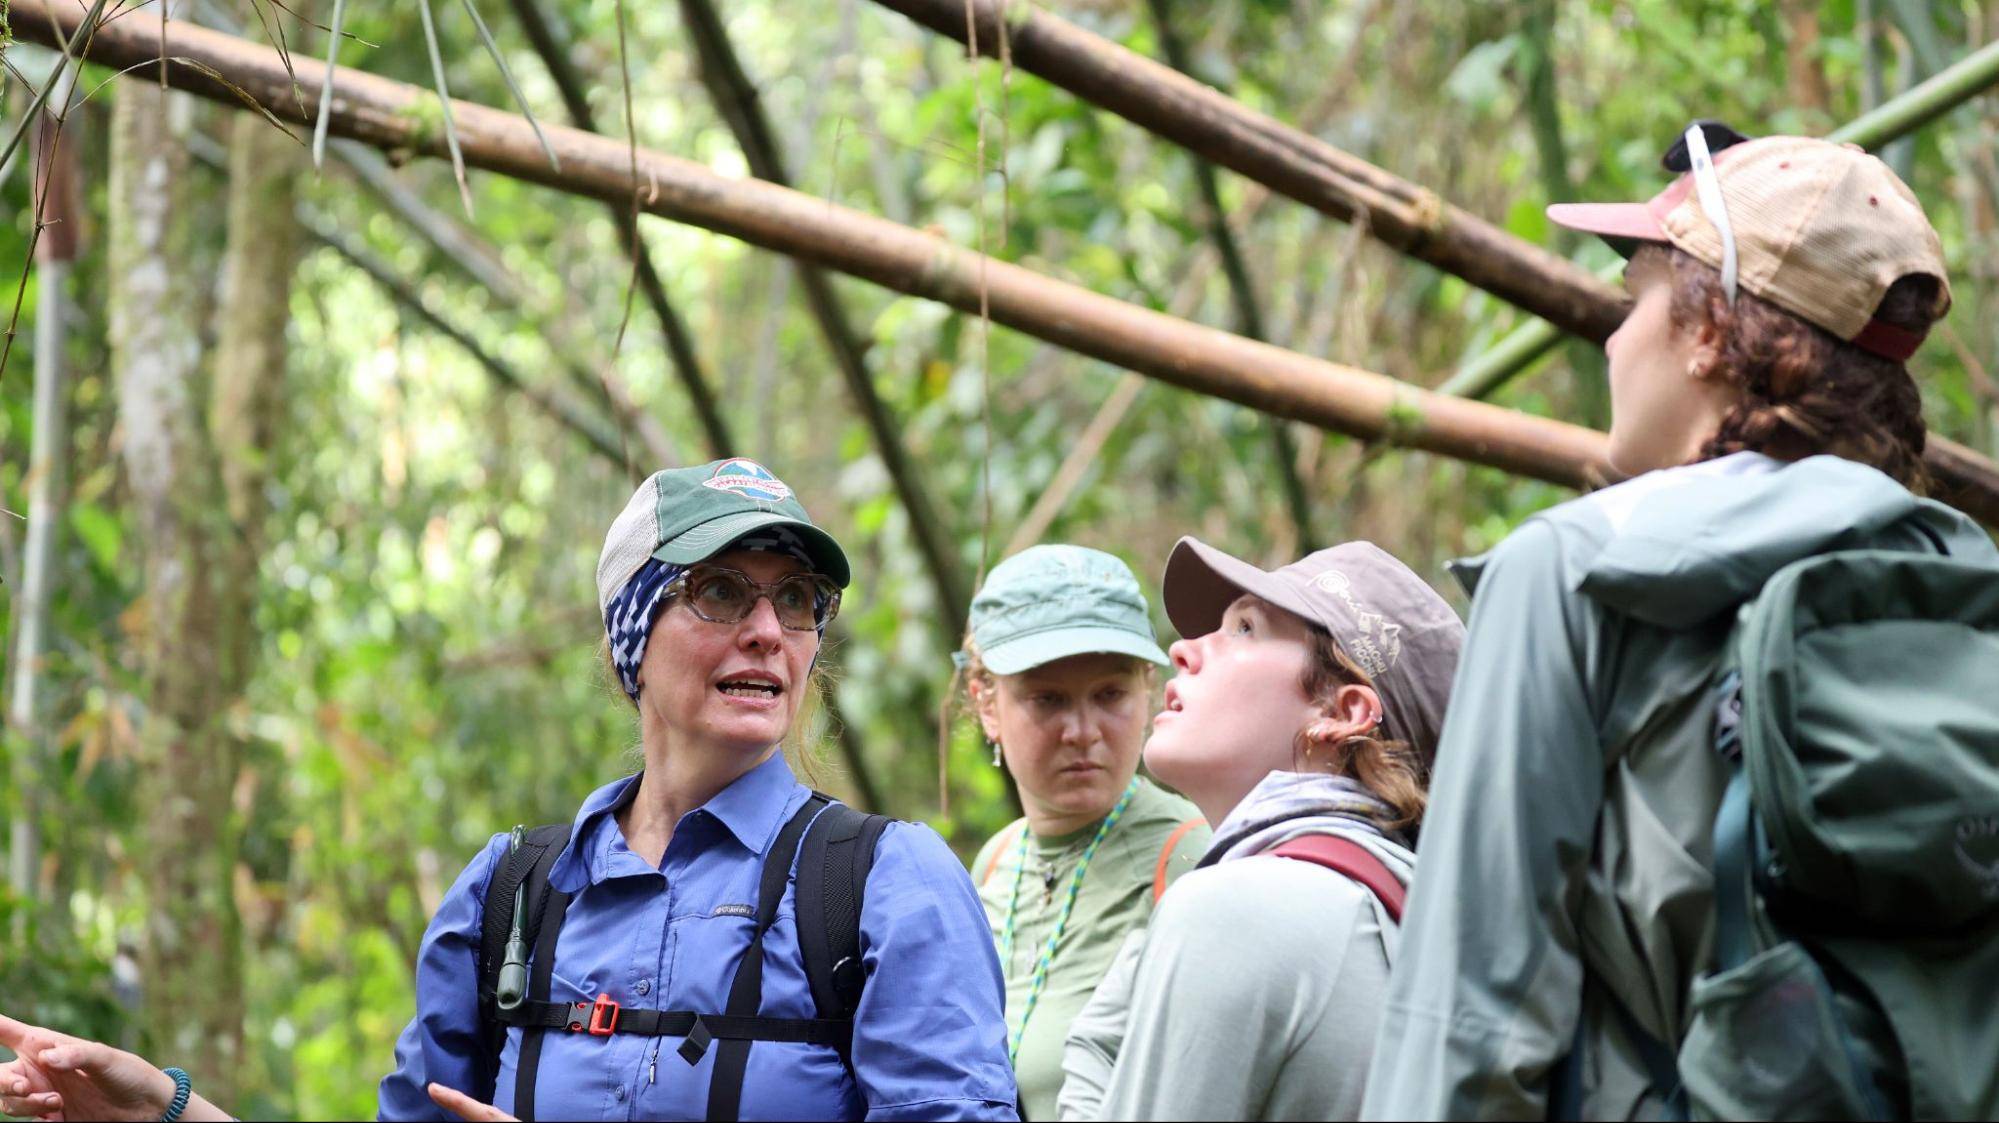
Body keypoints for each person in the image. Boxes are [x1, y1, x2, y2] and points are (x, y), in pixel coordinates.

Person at [0, 458, 1018, 1122]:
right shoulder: (513, 893)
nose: (766, 631)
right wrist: (165, 1110)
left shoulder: (885, 886)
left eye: (795, 599)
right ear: (632, 633)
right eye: (719, 591)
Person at [1363, 127, 1999, 1119]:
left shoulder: (1580, 569)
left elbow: (1468, 1022)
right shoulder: (1961, 574)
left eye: (1634, 302)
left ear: (1708, 331)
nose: (1613, 341)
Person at [1058, 537, 1463, 1121]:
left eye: (1245, 629)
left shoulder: (1244, 906)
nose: (1182, 650)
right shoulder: (1407, 914)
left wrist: (1091, 1050)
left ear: (1342, 713)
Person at [959, 545, 1210, 1121]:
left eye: (1109, 695)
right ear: (987, 704)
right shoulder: (995, 862)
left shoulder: (1193, 860)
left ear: (1148, 691)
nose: (1081, 731)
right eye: (1048, 699)